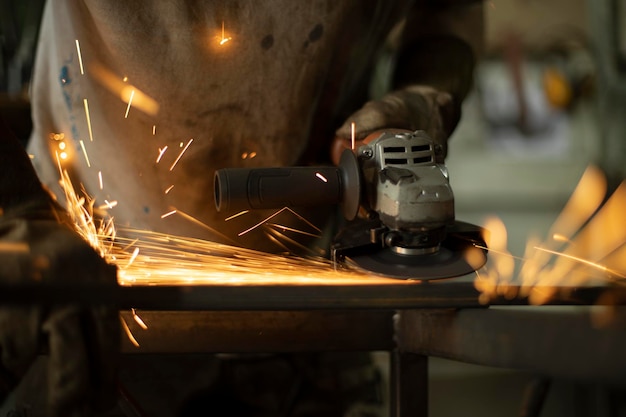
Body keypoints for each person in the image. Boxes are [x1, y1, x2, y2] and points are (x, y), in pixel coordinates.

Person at [1, 0, 483, 415]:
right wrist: (21, 212)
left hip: (314, 288)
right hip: (83, 295)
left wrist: (425, 94)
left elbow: (446, 11)